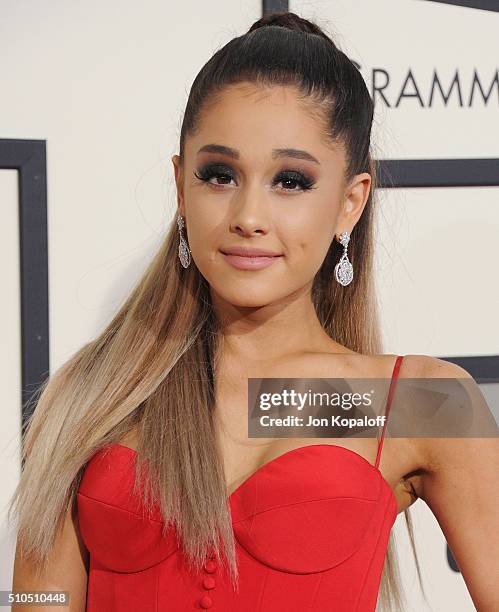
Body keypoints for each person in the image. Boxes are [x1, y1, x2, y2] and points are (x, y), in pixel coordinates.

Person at [9, 11, 498, 612]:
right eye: (220, 174)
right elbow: (41, 602)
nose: (248, 214)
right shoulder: (94, 391)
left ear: (350, 203)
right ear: (181, 185)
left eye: (290, 181)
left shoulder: (419, 401)